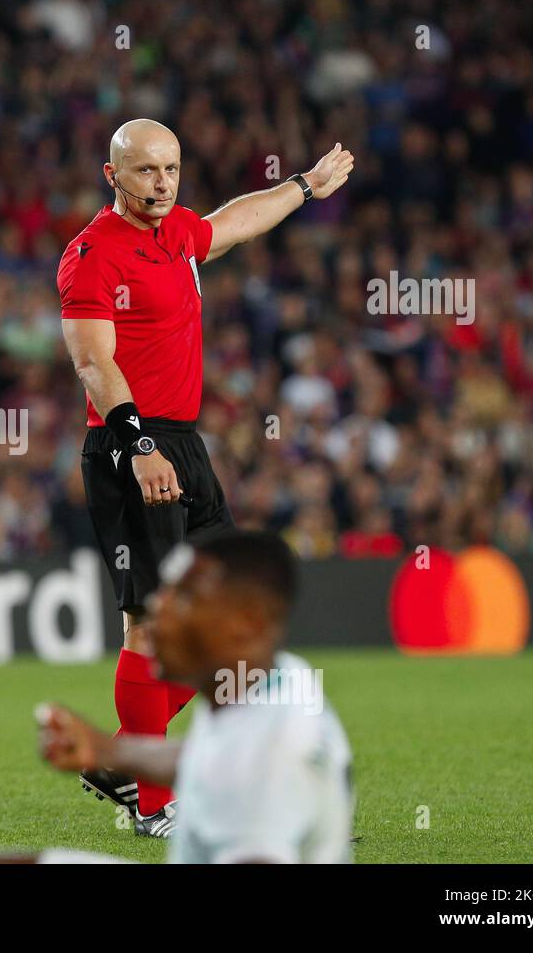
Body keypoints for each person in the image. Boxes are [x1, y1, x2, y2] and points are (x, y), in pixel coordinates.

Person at [57, 118, 354, 835]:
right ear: (112, 176)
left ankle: (128, 761)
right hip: (131, 445)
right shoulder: (93, 255)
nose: (161, 184)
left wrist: (304, 186)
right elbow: (95, 362)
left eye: (171, 169)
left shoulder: (174, 233)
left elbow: (234, 224)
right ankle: (153, 805)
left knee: (223, 608)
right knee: (152, 625)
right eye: (145, 172)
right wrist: (138, 446)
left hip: (184, 444)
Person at [0, 530, 356, 864]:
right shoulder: (278, 680)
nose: (159, 607)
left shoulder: (273, 763)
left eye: (184, 597)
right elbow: (211, 758)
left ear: (247, 622)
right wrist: (108, 749)